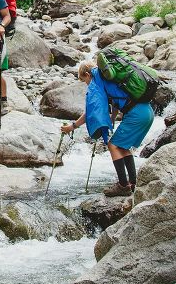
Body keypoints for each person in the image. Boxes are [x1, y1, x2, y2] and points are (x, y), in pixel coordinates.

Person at [60, 61, 155, 197]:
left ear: (88, 74)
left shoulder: (96, 84)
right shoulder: (110, 79)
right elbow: (116, 100)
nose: (86, 84)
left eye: (84, 80)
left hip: (136, 114)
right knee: (123, 147)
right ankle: (133, 183)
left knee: (113, 145)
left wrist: (72, 126)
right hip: (147, 111)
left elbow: (91, 111)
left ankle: (123, 186)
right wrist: (113, 117)